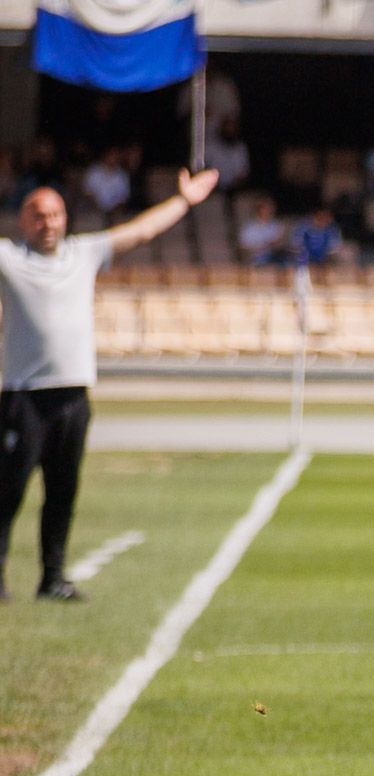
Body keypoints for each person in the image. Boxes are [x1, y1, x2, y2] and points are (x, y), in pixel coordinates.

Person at [0, 169, 219, 601]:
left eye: (56, 215)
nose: (49, 224)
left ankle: (53, 578)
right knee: (7, 493)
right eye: (39, 216)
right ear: (24, 221)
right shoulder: (10, 258)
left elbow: (139, 232)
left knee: (62, 491)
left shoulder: (85, 253)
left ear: (66, 218)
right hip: (22, 396)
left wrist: (185, 200)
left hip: (72, 394)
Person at [237, 199, 287, 266]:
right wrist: (263, 246)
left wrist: (276, 244)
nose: (269, 212)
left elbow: (281, 244)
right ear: (259, 210)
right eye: (266, 209)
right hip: (257, 259)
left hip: (276, 258)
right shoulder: (250, 228)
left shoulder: (276, 226)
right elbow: (243, 248)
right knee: (264, 258)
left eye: (270, 209)